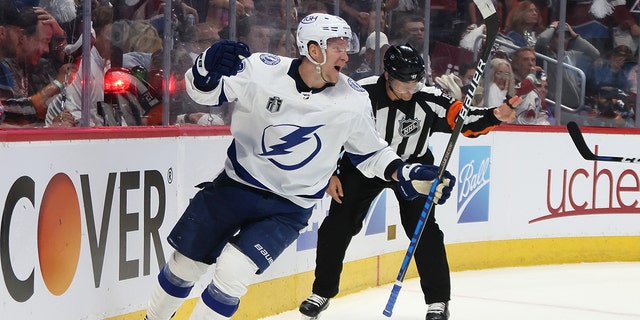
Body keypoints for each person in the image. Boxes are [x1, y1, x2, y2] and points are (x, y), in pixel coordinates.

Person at [142, 13, 456, 320]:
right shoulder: (262, 71)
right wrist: (203, 70)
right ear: (314, 50)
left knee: (232, 274)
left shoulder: (353, 98)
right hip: (233, 188)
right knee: (184, 266)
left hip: (289, 208)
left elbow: (372, 153)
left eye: (346, 47)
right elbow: (205, 94)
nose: (346, 56)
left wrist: (407, 172)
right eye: (338, 47)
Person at [298, 43, 519, 320]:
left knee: (425, 230)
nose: (410, 89)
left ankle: (437, 301)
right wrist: (329, 171)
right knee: (337, 226)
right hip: (362, 166)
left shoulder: (429, 97)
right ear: (388, 75)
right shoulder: (360, 93)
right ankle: (322, 292)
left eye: (415, 81)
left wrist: (494, 116)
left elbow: (462, 120)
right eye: (404, 82)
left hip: (414, 169)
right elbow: (329, 131)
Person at [534, 21, 600, 109]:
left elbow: (595, 54)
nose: (562, 40)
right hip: (556, 107)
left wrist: (575, 35)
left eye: (565, 38)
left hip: (577, 107)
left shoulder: (571, 55)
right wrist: (552, 27)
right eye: (558, 37)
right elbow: (541, 41)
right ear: (551, 39)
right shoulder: (545, 55)